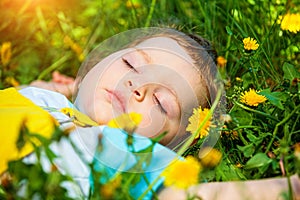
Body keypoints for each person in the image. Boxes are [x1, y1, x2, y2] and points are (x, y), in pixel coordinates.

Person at [0, 27, 299, 199]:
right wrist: (70, 88)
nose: (136, 86)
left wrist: (290, 187)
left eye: (161, 104)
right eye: (130, 65)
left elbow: (186, 195)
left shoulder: (116, 150)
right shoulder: (45, 98)